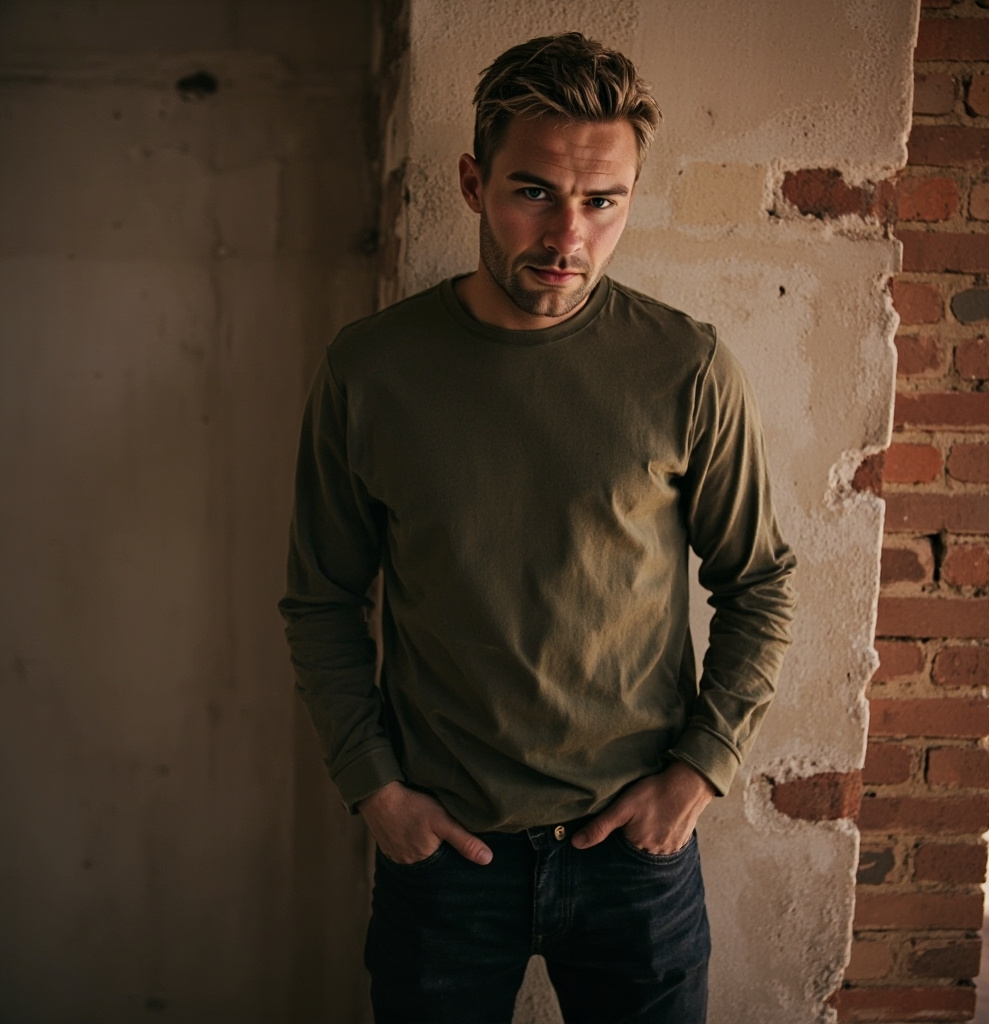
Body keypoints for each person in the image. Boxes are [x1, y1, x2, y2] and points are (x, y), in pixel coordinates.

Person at [280, 31, 796, 1024]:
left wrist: (700, 771)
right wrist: (375, 789)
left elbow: (758, 579)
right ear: (473, 182)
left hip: (632, 860)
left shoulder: (685, 367)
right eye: (535, 192)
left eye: (603, 201)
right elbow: (321, 597)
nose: (568, 236)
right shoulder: (371, 370)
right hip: (444, 859)